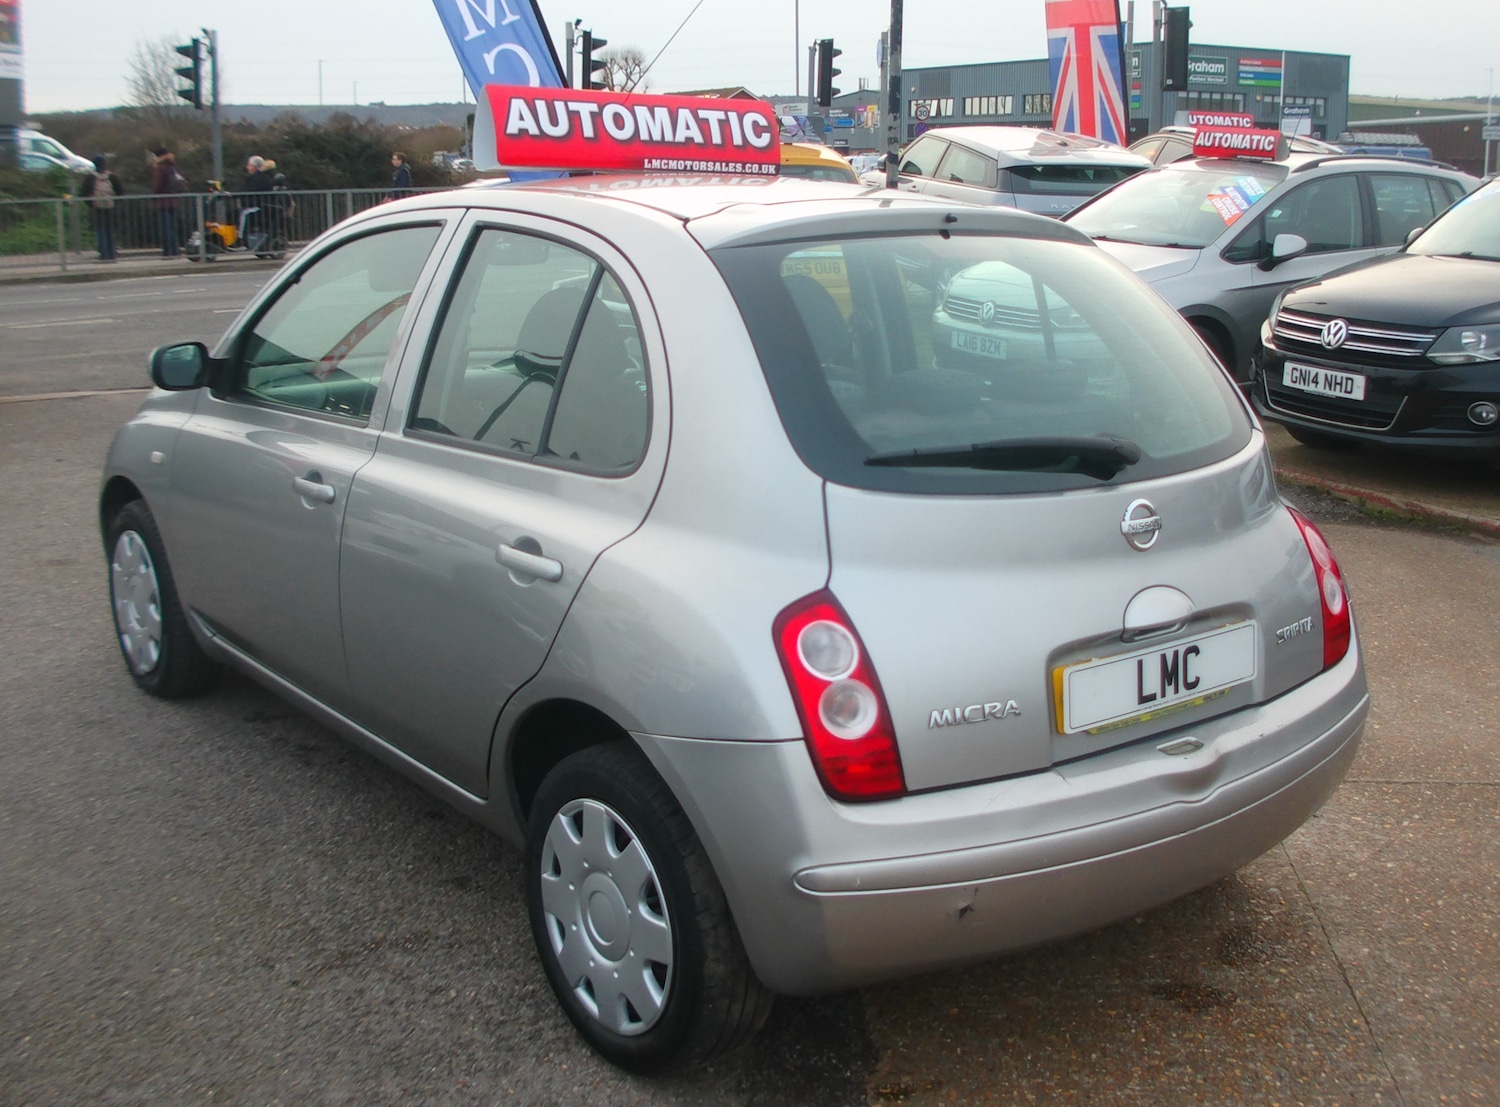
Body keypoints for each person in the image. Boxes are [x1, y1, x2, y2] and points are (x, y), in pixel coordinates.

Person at [78, 155, 123, 262]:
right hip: (111, 209)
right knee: (110, 231)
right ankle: (112, 253)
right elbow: (120, 192)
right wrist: (114, 202)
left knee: (100, 231)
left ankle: (104, 254)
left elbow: (83, 193)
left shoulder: (91, 178)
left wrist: (91, 203)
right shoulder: (112, 177)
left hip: (97, 209)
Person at [151, 147, 187, 256]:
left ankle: (169, 251)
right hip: (174, 200)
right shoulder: (173, 166)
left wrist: (154, 195)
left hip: (163, 201)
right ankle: (175, 249)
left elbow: (157, 185)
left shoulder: (161, 168)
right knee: (171, 226)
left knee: (166, 227)